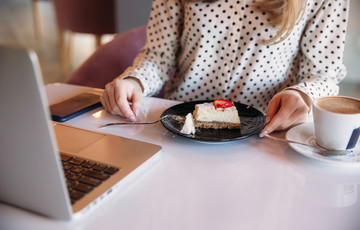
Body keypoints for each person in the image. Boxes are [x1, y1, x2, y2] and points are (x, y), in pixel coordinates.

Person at [100, 0, 349, 137]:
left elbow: (323, 73)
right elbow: (158, 56)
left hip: (264, 136)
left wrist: (300, 94)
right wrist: (135, 81)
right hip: (182, 130)